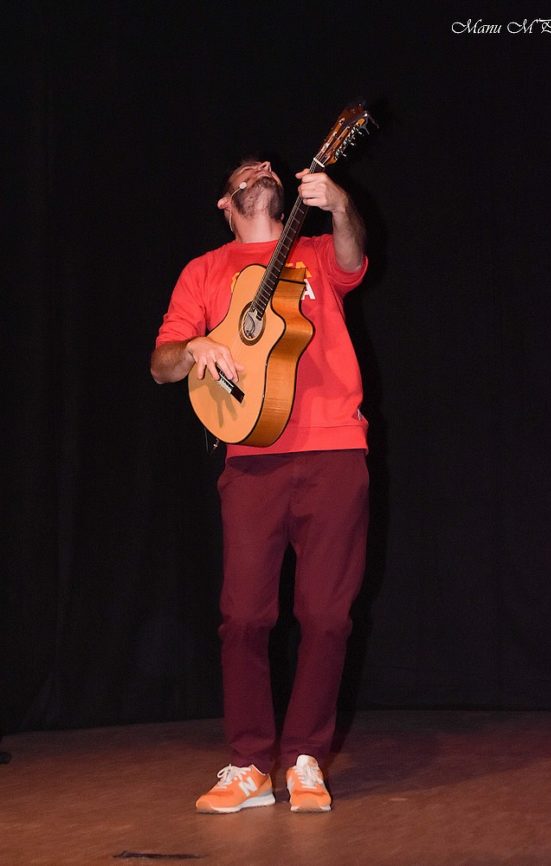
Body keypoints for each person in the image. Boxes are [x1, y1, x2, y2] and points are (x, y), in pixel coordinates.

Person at [151, 158, 369, 813]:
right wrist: (195, 348)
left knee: (326, 616)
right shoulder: (204, 271)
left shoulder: (315, 253)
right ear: (225, 202)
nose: (263, 168)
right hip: (249, 457)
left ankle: (305, 757)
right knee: (243, 616)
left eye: (268, 167)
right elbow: (161, 364)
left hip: (333, 449)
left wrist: (340, 203)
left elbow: (354, 256)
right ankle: (248, 763)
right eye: (246, 172)